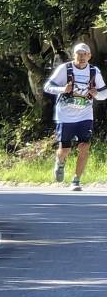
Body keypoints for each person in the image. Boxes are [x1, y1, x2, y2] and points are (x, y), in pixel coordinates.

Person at [43, 42, 107, 190]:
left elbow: (104, 93)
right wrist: (62, 89)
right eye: (79, 53)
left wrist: (96, 94)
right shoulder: (65, 69)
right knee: (65, 150)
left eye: (85, 53)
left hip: (85, 115)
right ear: (74, 55)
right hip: (65, 116)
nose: (82, 56)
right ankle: (60, 162)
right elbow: (47, 87)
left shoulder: (94, 71)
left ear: (90, 56)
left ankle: (76, 180)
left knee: (84, 147)